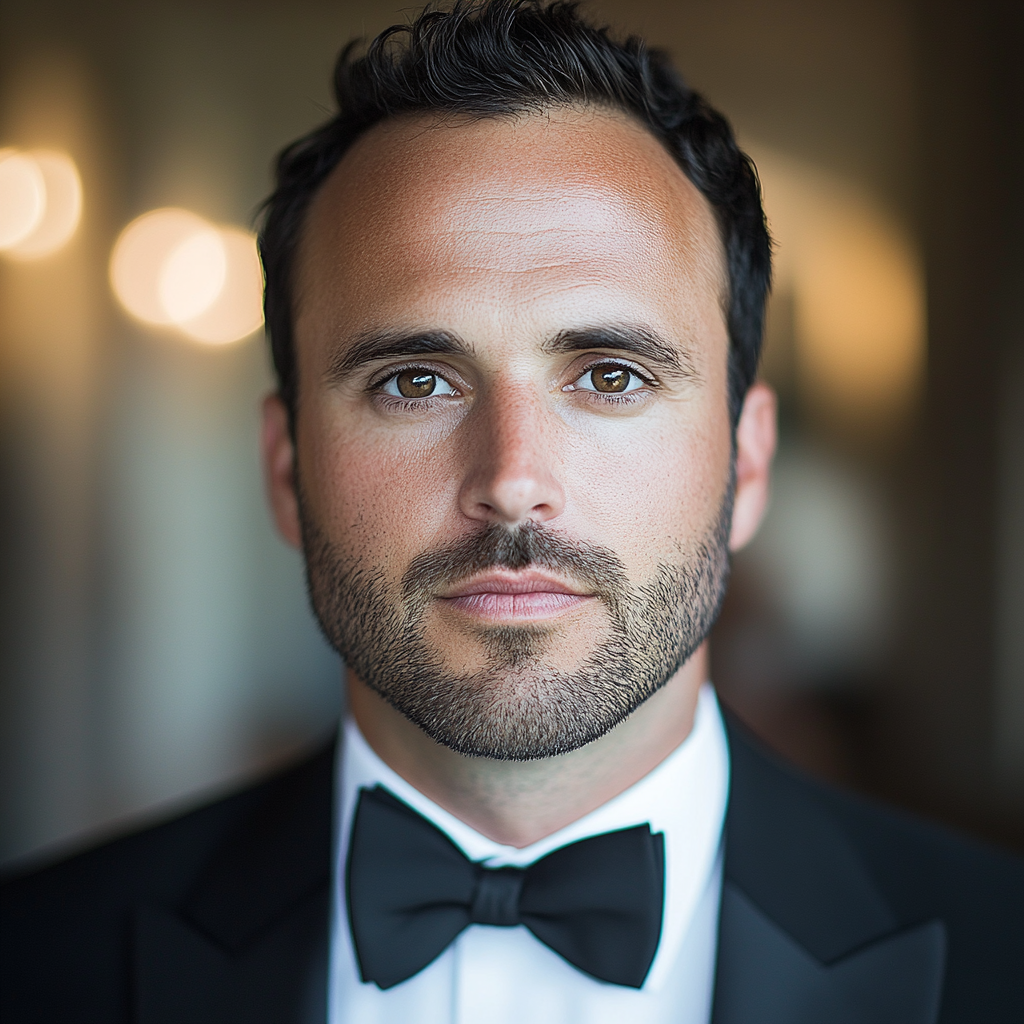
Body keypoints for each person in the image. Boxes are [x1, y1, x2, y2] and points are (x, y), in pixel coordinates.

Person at [2, 2, 1022, 1021]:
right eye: (414, 382)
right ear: (285, 467)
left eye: (611, 375)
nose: (512, 477)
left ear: (746, 464)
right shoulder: (36, 959)